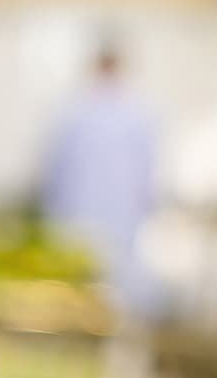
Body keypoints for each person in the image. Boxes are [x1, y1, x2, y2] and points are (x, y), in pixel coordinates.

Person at [41, 41, 159, 316]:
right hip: (95, 216)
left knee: (100, 284)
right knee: (87, 284)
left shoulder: (77, 110)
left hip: (96, 216)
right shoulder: (133, 113)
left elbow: (53, 170)